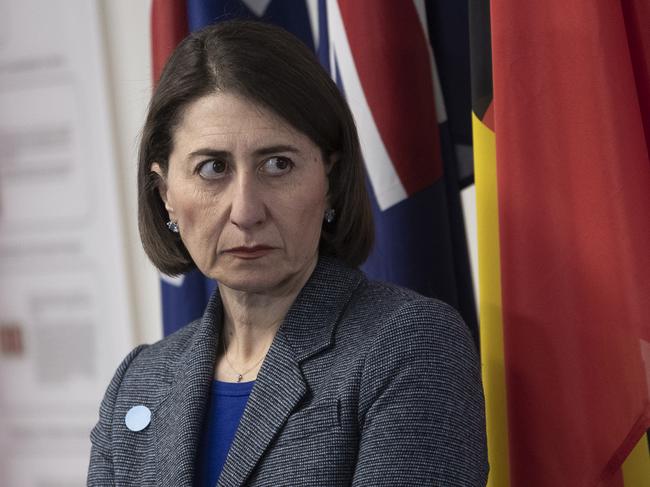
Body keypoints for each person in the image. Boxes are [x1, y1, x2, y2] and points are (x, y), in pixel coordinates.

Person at [87, 20, 488, 486]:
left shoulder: (408, 345)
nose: (246, 210)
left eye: (278, 165)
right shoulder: (139, 382)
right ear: (166, 194)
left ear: (331, 182)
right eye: (213, 168)